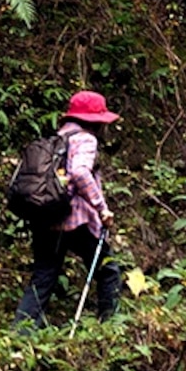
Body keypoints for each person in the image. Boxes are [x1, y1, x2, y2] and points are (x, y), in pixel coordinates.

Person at [16, 90, 124, 324]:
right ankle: (110, 327)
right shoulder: (86, 139)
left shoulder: (57, 138)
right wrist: (101, 208)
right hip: (76, 221)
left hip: (45, 217)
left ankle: (20, 335)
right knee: (108, 271)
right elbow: (80, 172)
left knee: (43, 277)